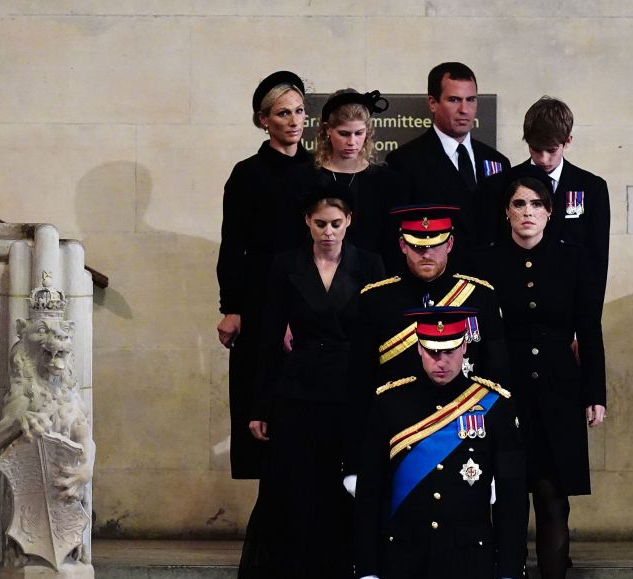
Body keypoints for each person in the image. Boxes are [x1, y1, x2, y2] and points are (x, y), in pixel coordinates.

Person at [236, 185, 385, 579]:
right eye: (320, 223)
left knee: (347, 495)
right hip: (299, 391)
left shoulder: (370, 264)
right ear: (307, 223)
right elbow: (268, 338)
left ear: (349, 223)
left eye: (336, 223)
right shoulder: (286, 265)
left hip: (354, 391)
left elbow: (382, 335)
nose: (328, 232)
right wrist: (260, 405)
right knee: (305, 491)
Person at [477, 169, 606, 579]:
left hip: (558, 392)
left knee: (553, 503)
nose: (527, 213)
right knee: (504, 499)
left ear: (550, 213)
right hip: (503, 394)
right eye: (518, 204)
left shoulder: (573, 260)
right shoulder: (485, 261)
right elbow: (478, 334)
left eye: (535, 204)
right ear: (506, 212)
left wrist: (595, 394)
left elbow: (588, 332)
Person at [354, 307, 527, 579]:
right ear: (419, 348)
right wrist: (366, 567)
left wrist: (509, 571)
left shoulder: (494, 405)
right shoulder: (389, 403)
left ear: (465, 346)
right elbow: (370, 493)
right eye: (432, 351)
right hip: (404, 567)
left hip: (468, 570)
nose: (441, 361)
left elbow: (512, 496)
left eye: (449, 350)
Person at [344, 204, 510, 483]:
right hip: (397, 440)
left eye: (435, 245)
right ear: (402, 245)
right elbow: (358, 385)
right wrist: (353, 463)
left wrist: (497, 461)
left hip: (463, 439)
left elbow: (497, 379)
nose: (427, 253)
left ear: (450, 244)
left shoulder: (479, 297)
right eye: (418, 246)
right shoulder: (376, 300)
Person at [216, 70, 312, 479]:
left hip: (314, 294)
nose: (294, 120)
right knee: (263, 393)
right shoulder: (248, 173)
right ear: (263, 120)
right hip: (260, 298)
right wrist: (231, 307)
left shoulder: (320, 169)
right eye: (283, 113)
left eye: (300, 111)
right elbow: (232, 243)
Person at [386, 62, 510, 261]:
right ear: (433, 103)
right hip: (437, 280)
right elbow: (395, 236)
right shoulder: (405, 161)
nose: (464, 109)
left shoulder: (497, 161)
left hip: (489, 280)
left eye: (471, 100)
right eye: (454, 100)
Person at [515, 97, 611, 307]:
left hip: (569, 310)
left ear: (567, 141)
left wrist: (584, 327)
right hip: (520, 313)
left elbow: (596, 263)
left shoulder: (592, 188)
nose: (543, 159)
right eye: (535, 149)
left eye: (551, 150)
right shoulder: (507, 184)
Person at [300, 88, 407, 270]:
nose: (352, 142)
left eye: (359, 133)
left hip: (373, 281)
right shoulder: (304, 177)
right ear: (327, 130)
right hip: (314, 279)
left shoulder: (387, 182)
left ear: (368, 132)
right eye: (344, 133)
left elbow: (393, 246)